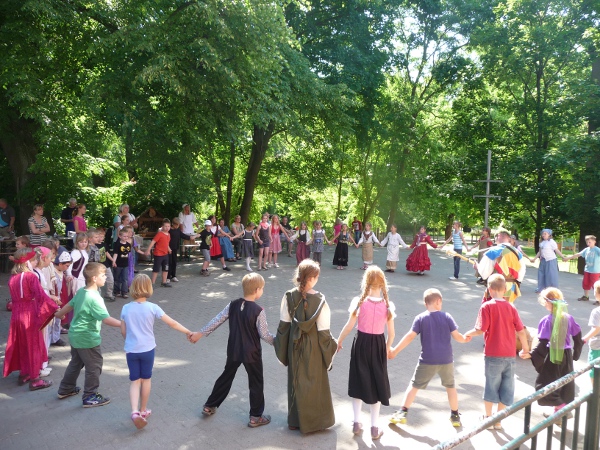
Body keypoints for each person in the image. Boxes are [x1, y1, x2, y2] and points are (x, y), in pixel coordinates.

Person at [189, 273, 274, 428]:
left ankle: (210, 405)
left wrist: (200, 334)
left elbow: (217, 320)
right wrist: (279, 342)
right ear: (257, 290)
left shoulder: (232, 305)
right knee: (256, 382)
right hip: (252, 354)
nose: (262, 291)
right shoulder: (258, 310)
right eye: (262, 289)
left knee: (226, 376)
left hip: (234, 350)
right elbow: (265, 334)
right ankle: (255, 416)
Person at [389, 288, 471, 428]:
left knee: (414, 385)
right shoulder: (447, 317)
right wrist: (465, 339)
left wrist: (395, 350)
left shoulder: (421, 318)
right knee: (450, 387)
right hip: (446, 360)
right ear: (439, 301)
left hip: (427, 359)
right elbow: (457, 336)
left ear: (425, 303)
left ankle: (403, 411)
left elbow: (410, 336)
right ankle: (455, 415)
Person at [121, 274, 192, 429]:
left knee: (134, 381)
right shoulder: (153, 307)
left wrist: (130, 341)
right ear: (148, 288)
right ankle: (143, 410)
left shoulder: (126, 308)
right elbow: (172, 323)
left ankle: (134, 412)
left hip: (132, 350)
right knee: (146, 379)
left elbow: (123, 331)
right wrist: (187, 332)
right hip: (147, 350)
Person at [274, 260, 337, 433]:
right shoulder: (321, 301)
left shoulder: (288, 296)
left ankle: (295, 420)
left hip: (294, 346)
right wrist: (333, 348)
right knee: (314, 383)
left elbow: (284, 326)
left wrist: (281, 348)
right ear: (313, 278)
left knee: (296, 381)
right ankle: (315, 422)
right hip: (315, 348)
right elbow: (324, 333)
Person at [464, 274, 530, 430]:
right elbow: (520, 330)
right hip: (509, 354)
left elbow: (480, 329)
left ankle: (488, 418)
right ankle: (498, 420)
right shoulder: (511, 307)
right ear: (505, 289)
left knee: (491, 386)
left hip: (493, 354)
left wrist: (467, 334)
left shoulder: (486, 306)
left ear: (489, 289)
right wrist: (526, 349)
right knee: (507, 387)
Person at [336, 267, 395, 440]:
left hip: (360, 344)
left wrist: (339, 340)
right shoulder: (387, 306)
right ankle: (375, 428)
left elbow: (348, 326)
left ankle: (356, 423)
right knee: (376, 384)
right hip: (377, 346)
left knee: (358, 381)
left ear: (365, 282)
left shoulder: (359, 302)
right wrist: (386, 348)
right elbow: (391, 334)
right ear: (383, 284)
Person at [55, 263, 121, 407]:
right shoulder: (94, 298)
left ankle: (66, 389)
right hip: (87, 337)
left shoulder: (82, 291)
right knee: (94, 366)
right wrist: (123, 324)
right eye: (103, 275)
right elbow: (106, 318)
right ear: (95, 278)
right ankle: (90, 396)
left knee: (76, 362)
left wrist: (59, 314)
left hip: (75, 335)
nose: (106, 277)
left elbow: (69, 305)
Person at [520, 288, 582, 421]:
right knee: (563, 382)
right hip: (566, 355)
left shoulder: (546, 320)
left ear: (548, 302)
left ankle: (561, 409)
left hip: (554, 356)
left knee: (546, 384)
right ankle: (561, 410)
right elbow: (577, 336)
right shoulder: (568, 317)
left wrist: (532, 355)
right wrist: (576, 354)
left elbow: (543, 343)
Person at [3, 248, 58, 390]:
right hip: (29, 314)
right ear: (28, 261)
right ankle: (35, 379)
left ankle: (24, 373)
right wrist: (55, 308)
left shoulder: (13, 278)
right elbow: (41, 295)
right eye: (34, 260)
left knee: (22, 344)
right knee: (34, 346)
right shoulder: (31, 276)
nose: (36, 262)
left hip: (16, 315)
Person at [475, 230, 526, 303]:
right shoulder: (517, 253)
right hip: (512, 287)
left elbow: (484, 273)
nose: (495, 239)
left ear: (499, 236)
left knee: (495, 311)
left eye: (496, 236)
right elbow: (522, 270)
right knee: (507, 310)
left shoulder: (493, 251)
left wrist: (478, 267)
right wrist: (517, 281)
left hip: (496, 287)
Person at [564, 235, 600, 303]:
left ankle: (598, 299)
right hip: (587, 270)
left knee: (595, 285)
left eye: (590, 242)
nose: (588, 243)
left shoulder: (597, 249)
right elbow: (578, 254)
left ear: (594, 242)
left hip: (595, 271)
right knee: (585, 283)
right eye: (587, 242)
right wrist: (568, 258)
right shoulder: (586, 249)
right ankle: (586, 296)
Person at [146, 219, 172, 288]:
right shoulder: (160, 234)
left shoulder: (169, 235)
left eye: (168, 226)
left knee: (166, 268)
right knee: (156, 269)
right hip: (158, 254)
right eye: (165, 226)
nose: (167, 228)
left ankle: (164, 282)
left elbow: (167, 243)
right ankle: (152, 283)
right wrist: (148, 250)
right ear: (162, 227)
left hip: (165, 254)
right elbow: (153, 242)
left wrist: (169, 249)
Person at [583, 281, 600, 381]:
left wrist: (584, 339)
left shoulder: (596, 312)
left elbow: (596, 328)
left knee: (593, 373)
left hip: (597, 347)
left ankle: (596, 395)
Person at [167, 217, 192, 282]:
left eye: (178, 225)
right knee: (169, 262)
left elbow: (183, 235)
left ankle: (173, 276)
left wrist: (190, 237)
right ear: (173, 224)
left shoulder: (178, 230)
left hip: (175, 248)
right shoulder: (169, 230)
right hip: (169, 249)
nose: (177, 226)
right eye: (176, 225)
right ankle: (168, 277)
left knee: (174, 262)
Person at [113, 228, 132, 297]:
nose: (126, 237)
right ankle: (117, 291)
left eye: (127, 236)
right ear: (120, 236)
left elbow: (129, 254)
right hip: (118, 264)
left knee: (125, 279)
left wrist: (131, 263)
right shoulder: (117, 244)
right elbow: (115, 253)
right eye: (124, 236)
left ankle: (124, 292)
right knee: (117, 278)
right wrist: (113, 261)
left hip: (125, 264)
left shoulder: (128, 245)